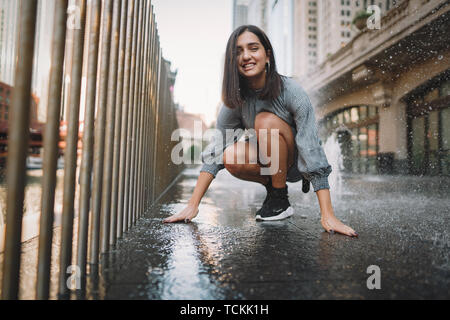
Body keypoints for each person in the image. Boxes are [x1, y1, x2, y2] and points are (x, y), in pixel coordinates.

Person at [163, 25, 358, 238]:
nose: (246, 56)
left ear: (267, 55)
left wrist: (327, 214)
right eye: (238, 52)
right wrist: (193, 205)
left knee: (265, 121)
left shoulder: (292, 91)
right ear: (233, 62)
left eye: (253, 48)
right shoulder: (234, 101)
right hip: (269, 165)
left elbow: (311, 146)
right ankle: (277, 195)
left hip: (296, 164)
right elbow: (215, 152)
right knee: (230, 155)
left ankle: (279, 195)